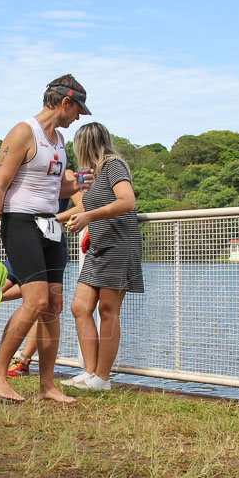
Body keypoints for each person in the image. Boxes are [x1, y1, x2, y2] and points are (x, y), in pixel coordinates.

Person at [0, 75, 93, 402]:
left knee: (53, 305)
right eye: (77, 110)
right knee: (36, 300)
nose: (78, 117)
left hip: (49, 224)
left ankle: (47, 385)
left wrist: (78, 184)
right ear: (64, 103)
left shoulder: (58, 141)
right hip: (21, 222)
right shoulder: (23, 132)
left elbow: (55, 189)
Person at [64, 122, 144, 391]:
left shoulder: (113, 165)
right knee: (80, 307)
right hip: (98, 247)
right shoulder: (92, 174)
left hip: (119, 245)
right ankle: (90, 372)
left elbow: (127, 201)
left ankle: (102, 378)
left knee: (107, 310)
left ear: (85, 144)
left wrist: (87, 216)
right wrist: (57, 219)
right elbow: (87, 207)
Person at [6, 191, 83, 377]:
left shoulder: (65, 175)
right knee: (12, 290)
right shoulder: (25, 175)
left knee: (44, 305)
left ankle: (23, 361)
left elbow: (83, 206)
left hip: (52, 243)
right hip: (26, 240)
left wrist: (55, 218)